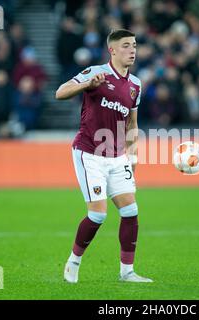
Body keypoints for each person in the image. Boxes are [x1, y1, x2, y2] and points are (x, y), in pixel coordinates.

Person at [55, 29, 153, 283]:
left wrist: (133, 156)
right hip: (89, 152)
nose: (132, 50)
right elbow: (60, 92)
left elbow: (132, 124)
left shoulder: (136, 85)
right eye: (126, 46)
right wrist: (88, 84)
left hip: (117, 156)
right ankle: (73, 263)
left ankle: (127, 272)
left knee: (131, 210)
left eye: (134, 45)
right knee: (98, 215)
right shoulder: (96, 72)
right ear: (112, 50)